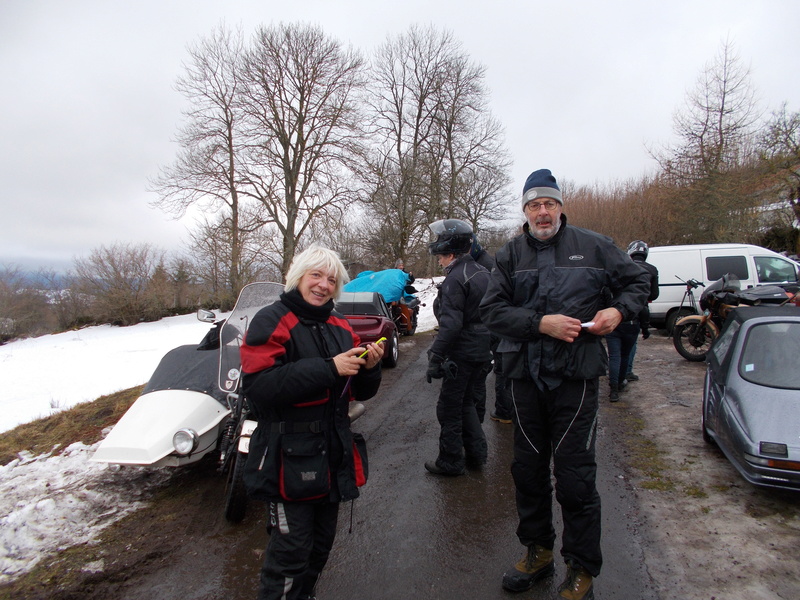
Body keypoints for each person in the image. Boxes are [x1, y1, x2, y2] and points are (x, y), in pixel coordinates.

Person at [480, 169, 650, 600]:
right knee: (528, 472)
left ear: (560, 207)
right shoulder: (509, 255)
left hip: (575, 378)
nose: (542, 211)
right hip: (523, 378)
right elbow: (492, 312)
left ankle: (581, 567)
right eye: (534, 205)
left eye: (549, 203)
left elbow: (638, 282)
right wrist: (540, 323)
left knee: (575, 476)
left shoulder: (594, 245)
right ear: (524, 211)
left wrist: (619, 311)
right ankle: (538, 552)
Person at [240, 245, 385, 600]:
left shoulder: (339, 325)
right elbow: (259, 387)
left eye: (331, 279)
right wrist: (329, 368)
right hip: (286, 457)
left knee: (320, 549)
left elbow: (358, 392)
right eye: (315, 275)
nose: (323, 285)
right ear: (298, 277)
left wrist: (370, 367)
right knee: (290, 554)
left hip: (333, 455)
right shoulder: (272, 319)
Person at [424, 218, 492, 476]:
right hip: (481, 350)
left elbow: (451, 324)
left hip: (463, 352)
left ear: (451, 253)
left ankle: (451, 461)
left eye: (441, 256)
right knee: (467, 403)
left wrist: (436, 356)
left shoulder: (456, 279)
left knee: (450, 406)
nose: (440, 260)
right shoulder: (483, 272)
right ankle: (477, 454)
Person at [471, 234, 513, 424]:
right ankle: (506, 409)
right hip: (499, 322)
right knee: (501, 368)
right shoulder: (486, 262)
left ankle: (505, 411)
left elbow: (490, 297)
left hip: (497, 324)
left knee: (501, 369)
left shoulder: (485, 266)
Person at [624, 240, 660, 382]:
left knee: (615, 346)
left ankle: (616, 375)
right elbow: (654, 294)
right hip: (639, 310)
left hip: (620, 308)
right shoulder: (652, 269)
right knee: (632, 343)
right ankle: (627, 371)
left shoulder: (624, 266)